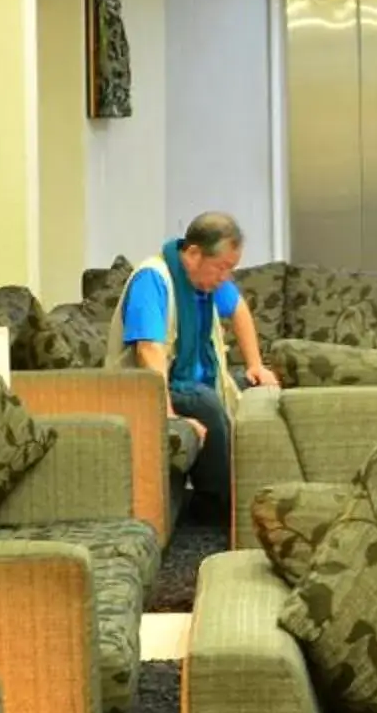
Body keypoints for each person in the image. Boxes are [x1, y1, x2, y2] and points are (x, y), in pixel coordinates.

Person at [112, 210, 278, 514]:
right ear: (192, 254)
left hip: (195, 378)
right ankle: (218, 503)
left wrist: (256, 365)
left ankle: (264, 486)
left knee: (257, 389)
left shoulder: (205, 283)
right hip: (145, 388)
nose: (225, 277)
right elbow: (148, 351)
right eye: (222, 268)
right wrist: (167, 414)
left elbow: (239, 308)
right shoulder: (153, 279)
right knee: (204, 400)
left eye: (231, 269)